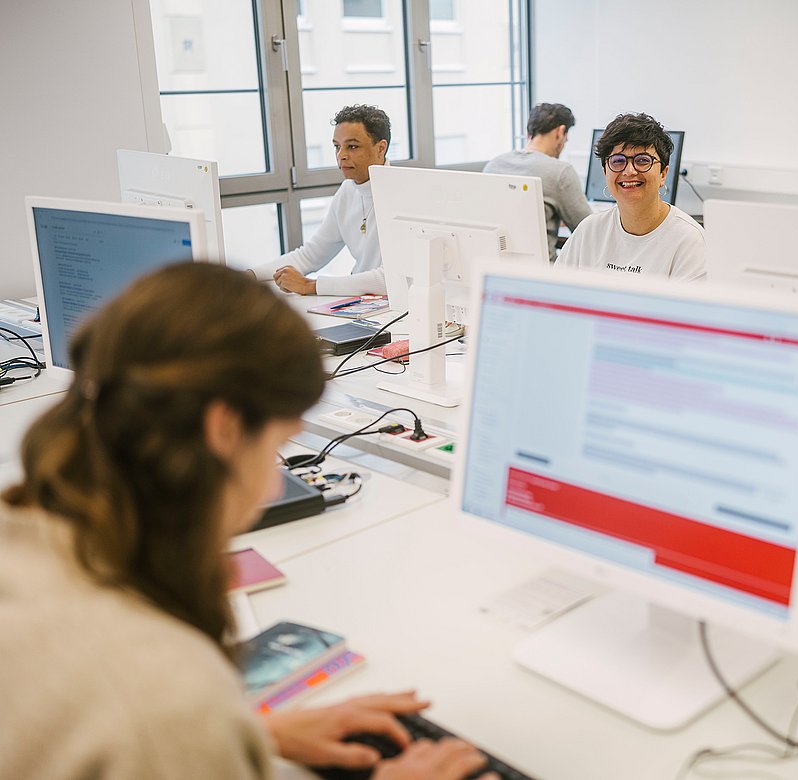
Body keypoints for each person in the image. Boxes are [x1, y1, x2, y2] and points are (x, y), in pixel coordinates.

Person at [0, 264, 491, 779]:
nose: (275, 487)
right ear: (225, 429)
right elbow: (147, 725)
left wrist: (240, 737)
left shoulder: (27, 531)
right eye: (276, 447)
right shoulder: (162, 699)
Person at [250, 105, 391, 296]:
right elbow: (310, 256)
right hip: (362, 305)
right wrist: (250, 276)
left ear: (381, 148)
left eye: (352, 146)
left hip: (394, 311)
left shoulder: (405, 194)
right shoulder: (347, 192)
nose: (341, 155)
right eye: (337, 146)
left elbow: (389, 278)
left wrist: (310, 286)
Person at [555, 112, 704, 280]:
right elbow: (555, 292)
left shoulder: (689, 240)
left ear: (663, 174)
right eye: (618, 161)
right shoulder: (589, 230)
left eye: (642, 160)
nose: (629, 171)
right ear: (605, 171)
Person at [483, 102, 593, 262]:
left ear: (530, 132)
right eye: (566, 140)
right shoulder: (559, 172)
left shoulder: (493, 166)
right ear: (560, 132)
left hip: (497, 269)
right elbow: (589, 231)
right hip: (542, 275)